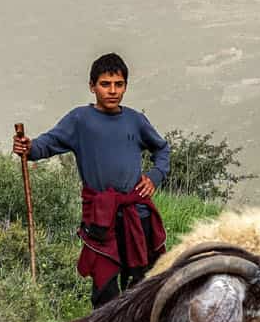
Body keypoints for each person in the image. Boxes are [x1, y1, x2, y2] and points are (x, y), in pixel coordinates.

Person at [13, 52, 170, 307]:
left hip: (136, 214)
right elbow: (47, 144)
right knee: (105, 287)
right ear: (92, 86)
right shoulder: (80, 120)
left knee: (142, 285)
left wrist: (155, 175)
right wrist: (28, 147)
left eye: (118, 84)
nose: (112, 91)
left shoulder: (135, 120)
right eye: (105, 84)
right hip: (101, 217)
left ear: (125, 87)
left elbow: (162, 149)